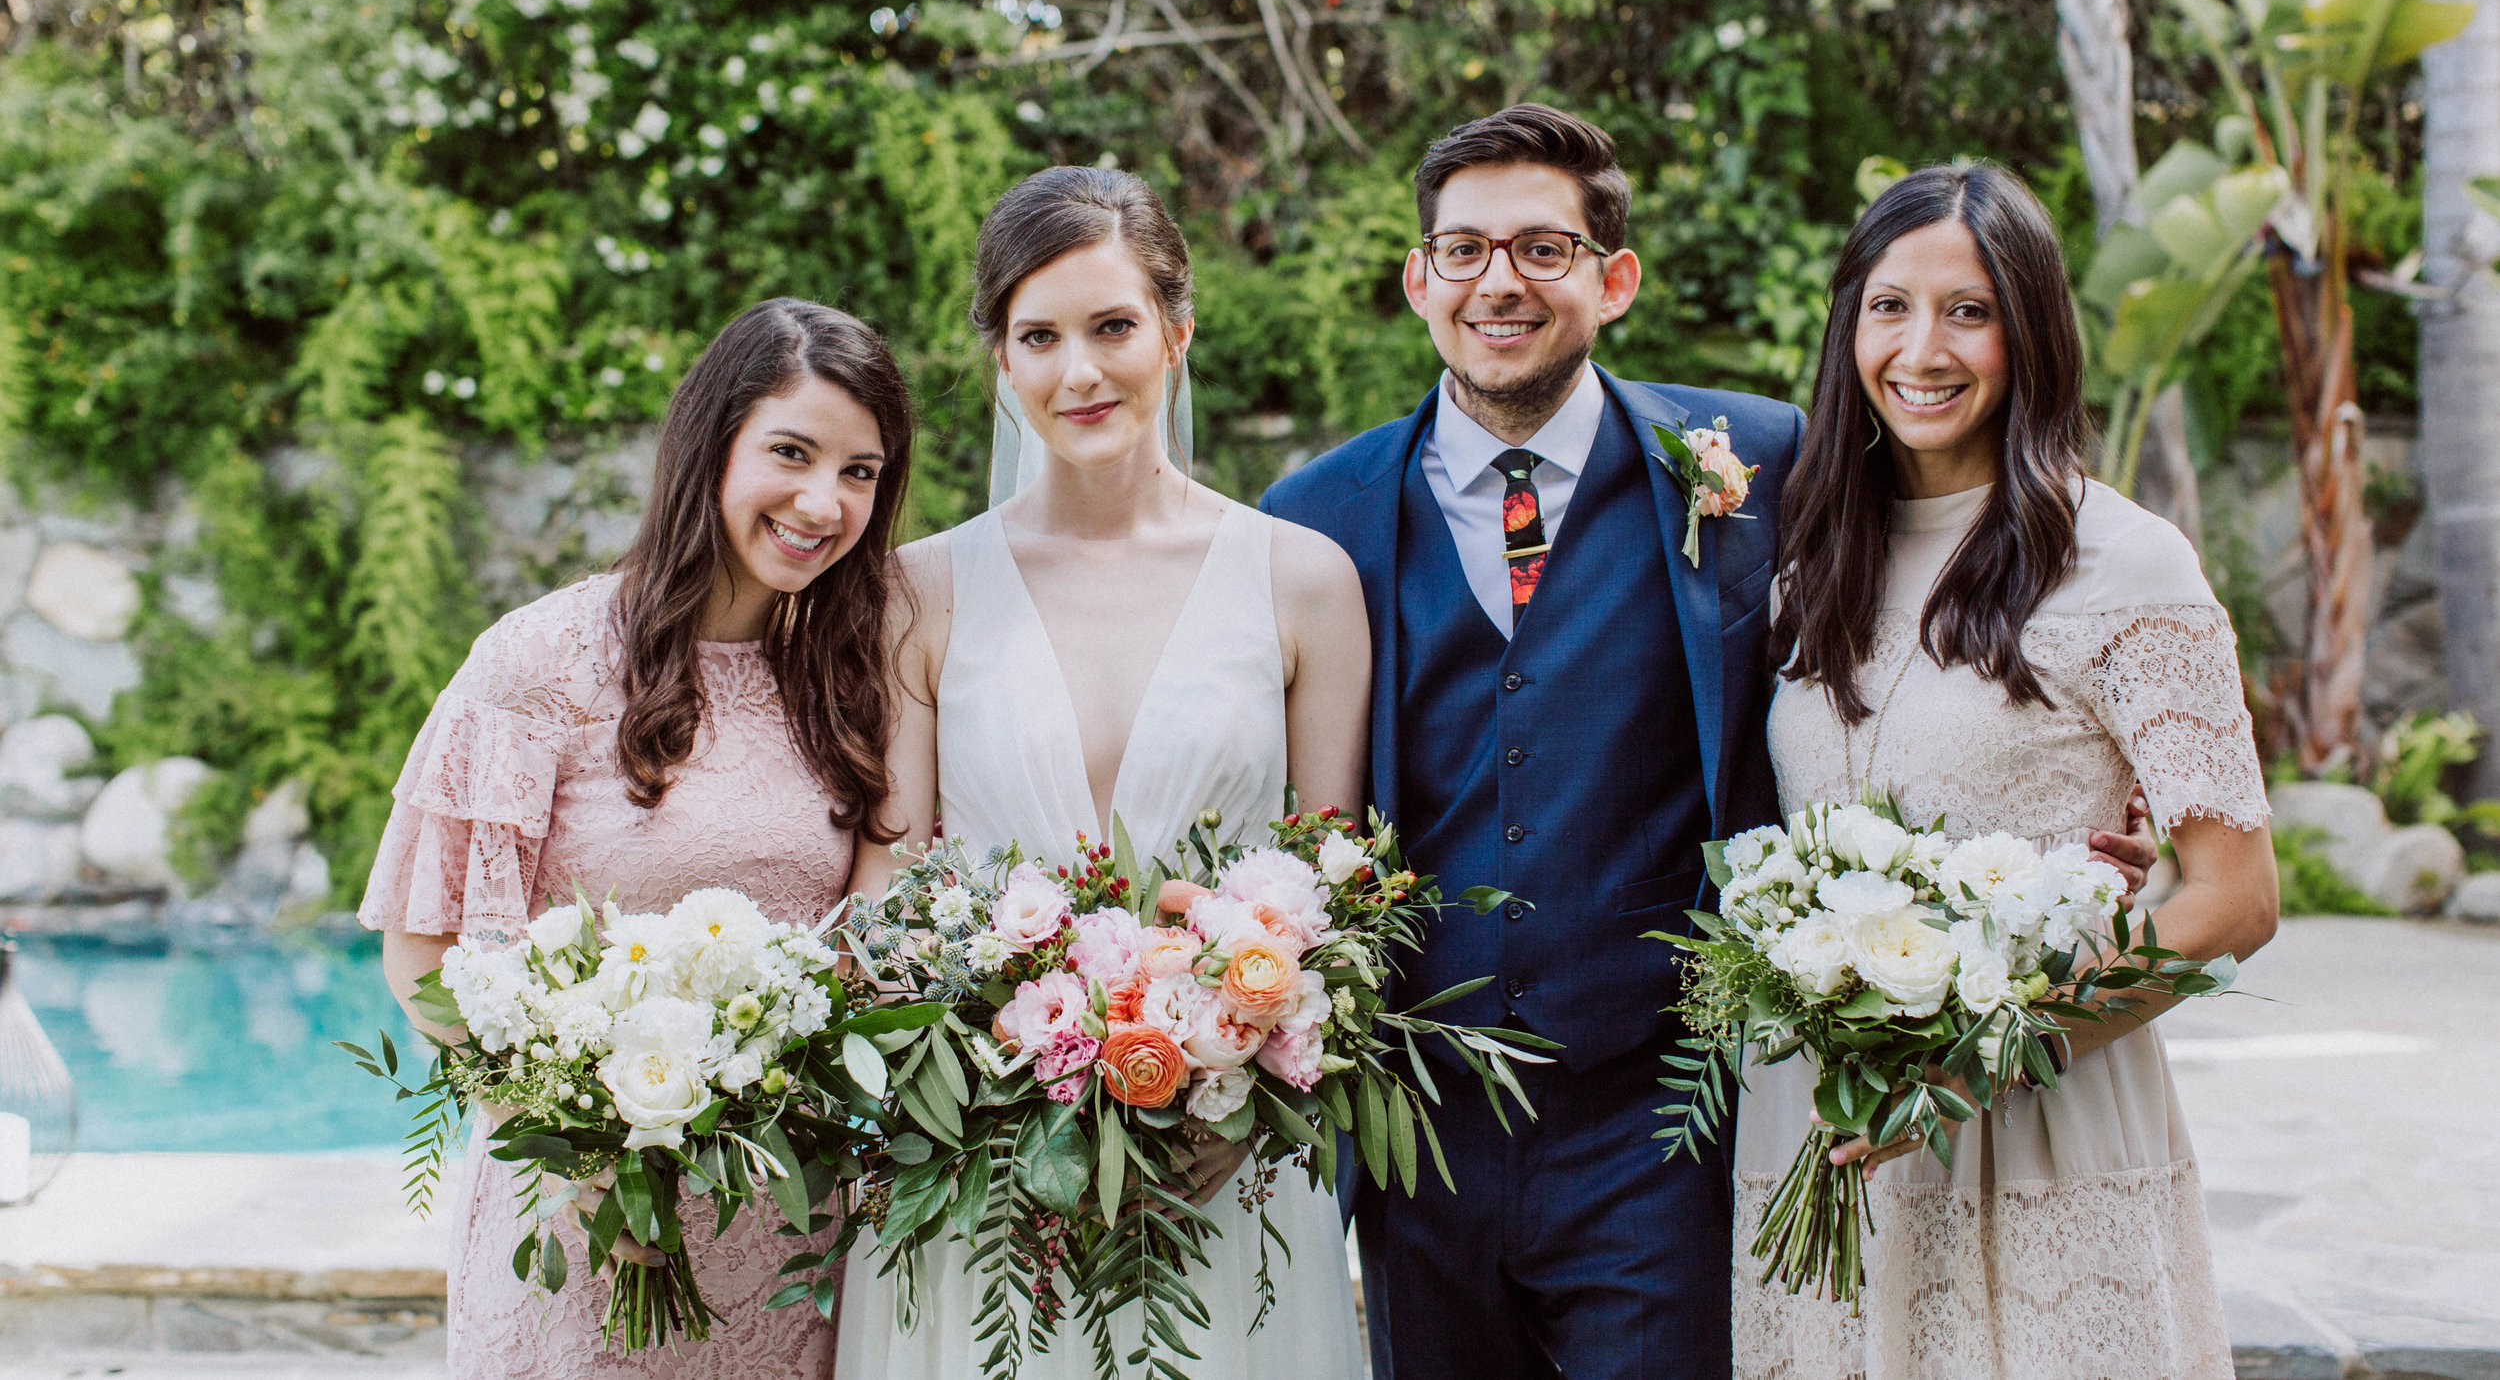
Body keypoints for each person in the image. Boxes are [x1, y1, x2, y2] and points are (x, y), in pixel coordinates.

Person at [1260, 106, 2160, 1379]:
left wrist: (2081, 794)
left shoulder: (1762, 463)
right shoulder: (1313, 516)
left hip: (1666, 1126)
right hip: (1420, 1137)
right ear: (1418, 277)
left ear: (1612, 279)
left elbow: (1937, 592)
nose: (1498, 281)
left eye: (1541, 247)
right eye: (1460, 250)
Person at [1735, 162, 2277, 1380]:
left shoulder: (2127, 565)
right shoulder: (1805, 556)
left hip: (2036, 1118)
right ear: (1848, 324)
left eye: (1968, 310)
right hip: (1823, 1136)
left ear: (2028, 329)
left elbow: (2233, 894)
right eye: (1889, 306)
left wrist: (1973, 1056)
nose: (1922, 347)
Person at [836, 166, 1371, 1380]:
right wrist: (957, 1077)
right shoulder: (918, 589)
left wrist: (1243, 1061)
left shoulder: (1304, 582)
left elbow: (1329, 889)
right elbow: (891, 882)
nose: (1079, 371)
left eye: (1113, 325)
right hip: (981, 1174)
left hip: (1225, 1170)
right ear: (1001, 365)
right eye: (1040, 337)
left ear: (1176, 333)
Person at [362, 298, 916, 1379]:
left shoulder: (853, 683)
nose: (823, 501)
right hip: (580, 1231)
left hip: (785, 1233)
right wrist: (582, 1148)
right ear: (710, 443)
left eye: (861, 471)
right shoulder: (536, 663)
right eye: (792, 453)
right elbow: (426, 958)